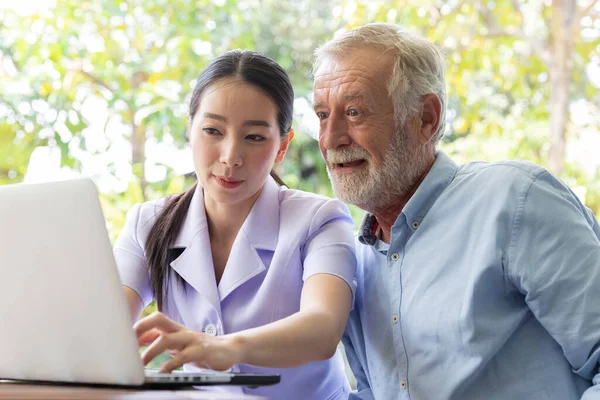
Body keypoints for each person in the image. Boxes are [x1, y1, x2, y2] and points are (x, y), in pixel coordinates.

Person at [312, 23, 600, 399]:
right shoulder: (352, 260)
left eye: (354, 112)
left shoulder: (513, 200)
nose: (331, 138)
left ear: (426, 119)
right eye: (321, 115)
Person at [113, 50, 356, 399]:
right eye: (213, 130)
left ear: (282, 146)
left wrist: (225, 347)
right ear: (190, 129)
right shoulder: (147, 223)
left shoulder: (320, 219)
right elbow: (103, 327)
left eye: (254, 137)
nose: (230, 157)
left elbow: (323, 329)